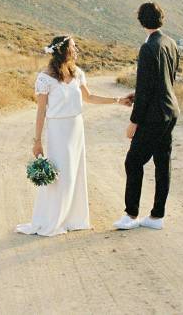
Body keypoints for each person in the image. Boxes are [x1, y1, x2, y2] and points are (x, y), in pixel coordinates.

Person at [16, 35, 130, 236]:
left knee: (76, 173)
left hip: (76, 127)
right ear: (64, 51)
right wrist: (37, 141)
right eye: (73, 47)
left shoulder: (78, 73)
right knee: (61, 175)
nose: (77, 50)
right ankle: (53, 219)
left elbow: (90, 97)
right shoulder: (45, 78)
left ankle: (73, 219)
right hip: (58, 130)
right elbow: (41, 111)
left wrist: (118, 100)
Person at [114, 2, 180, 231]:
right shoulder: (170, 43)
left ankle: (131, 214)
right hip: (170, 111)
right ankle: (156, 216)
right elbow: (168, 79)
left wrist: (134, 122)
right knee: (162, 163)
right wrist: (140, 94)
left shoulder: (148, 47)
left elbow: (146, 87)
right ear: (161, 18)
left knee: (133, 162)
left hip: (153, 116)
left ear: (141, 21)